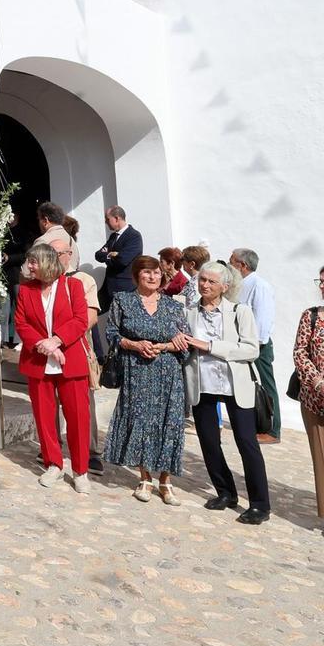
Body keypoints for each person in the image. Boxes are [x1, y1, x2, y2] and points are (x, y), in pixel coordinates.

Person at [176, 262, 267, 524]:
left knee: (247, 444)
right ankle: (225, 492)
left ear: (225, 287)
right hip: (202, 384)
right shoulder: (189, 312)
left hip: (234, 385)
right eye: (202, 279)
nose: (204, 285)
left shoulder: (240, 311)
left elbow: (251, 349)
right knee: (208, 442)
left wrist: (211, 346)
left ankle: (260, 504)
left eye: (211, 282)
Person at [102, 255, 187, 503]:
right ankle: (145, 477)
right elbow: (112, 333)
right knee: (141, 421)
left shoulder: (173, 307)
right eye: (147, 273)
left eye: (157, 273)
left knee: (168, 423)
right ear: (136, 275)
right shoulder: (123, 301)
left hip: (167, 373)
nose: (153, 277)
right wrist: (134, 344)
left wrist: (163, 347)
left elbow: (184, 342)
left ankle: (166, 480)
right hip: (136, 369)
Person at [15, 243, 92, 491]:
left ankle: (80, 471)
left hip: (71, 361)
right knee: (44, 416)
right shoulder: (26, 290)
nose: (30, 267)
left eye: (34, 262)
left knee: (78, 416)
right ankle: (54, 464)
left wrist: (57, 340)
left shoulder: (73, 286)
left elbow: (81, 320)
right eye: (29, 262)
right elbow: (22, 323)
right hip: (39, 361)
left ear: (47, 262)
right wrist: (43, 345)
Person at [61, 218, 103, 472]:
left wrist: (59, 337)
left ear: (71, 253)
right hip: (51, 349)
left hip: (76, 346)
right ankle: (52, 446)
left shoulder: (83, 280)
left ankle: (91, 450)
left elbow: (89, 318)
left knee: (83, 400)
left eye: (62, 252)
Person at [229, 248, 280, 442]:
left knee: (266, 386)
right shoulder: (242, 285)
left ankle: (273, 430)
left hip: (258, 345)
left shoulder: (260, 286)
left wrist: (255, 346)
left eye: (232, 261)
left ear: (243, 265)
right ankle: (258, 424)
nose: (229, 264)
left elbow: (263, 319)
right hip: (245, 344)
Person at [292, 269, 324, 526]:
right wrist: (317, 382)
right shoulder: (311, 316)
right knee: (321, 458)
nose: (322, 286)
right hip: (316, 399)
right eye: (321, 282)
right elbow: (300, 352)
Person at [95, 206, 143, 302]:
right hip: (110, 288)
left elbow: (122, 260)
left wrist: (109, 256)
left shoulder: (133, 236)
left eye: (107, 219)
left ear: (117, 218)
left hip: (126, 288)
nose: (105, 222)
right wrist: (110, 255)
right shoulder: (113, 236)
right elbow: (98, 255)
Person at [0, 210, 27, 347]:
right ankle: (2, 338)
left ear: (17, 216)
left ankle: (19, 340)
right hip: (3, 276)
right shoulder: (2, 232)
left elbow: (25, 255)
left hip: (17, 276)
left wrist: (9, 258)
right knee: (4, 310)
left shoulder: (22, 233)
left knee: (19, 309)